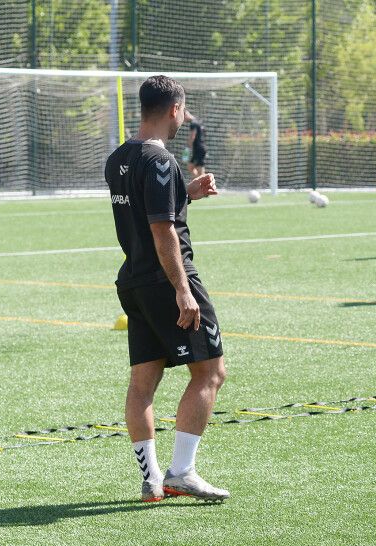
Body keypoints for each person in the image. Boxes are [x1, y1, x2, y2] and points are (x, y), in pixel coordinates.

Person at [104, 75, 229, 502]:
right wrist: (183, 290)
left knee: (143, 382)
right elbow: (162, 230)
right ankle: (183, 471)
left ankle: (152, 479)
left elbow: (145, 211)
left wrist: (185, 193)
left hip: (133, 282)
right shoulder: (161, 161)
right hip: (166, 279)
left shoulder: (118, 158)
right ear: (174, 109)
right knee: (211, 372)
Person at [184, 109, 206, 179]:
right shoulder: (198, 121)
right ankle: (200, 183)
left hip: (198, 148)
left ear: (186, 114)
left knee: (198, 169)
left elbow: (192, 136)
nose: (183, 120)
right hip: (201, 147)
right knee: (191, 167)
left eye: (183, 117)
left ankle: (203, 185)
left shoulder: (193, 123)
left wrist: (188, 147)